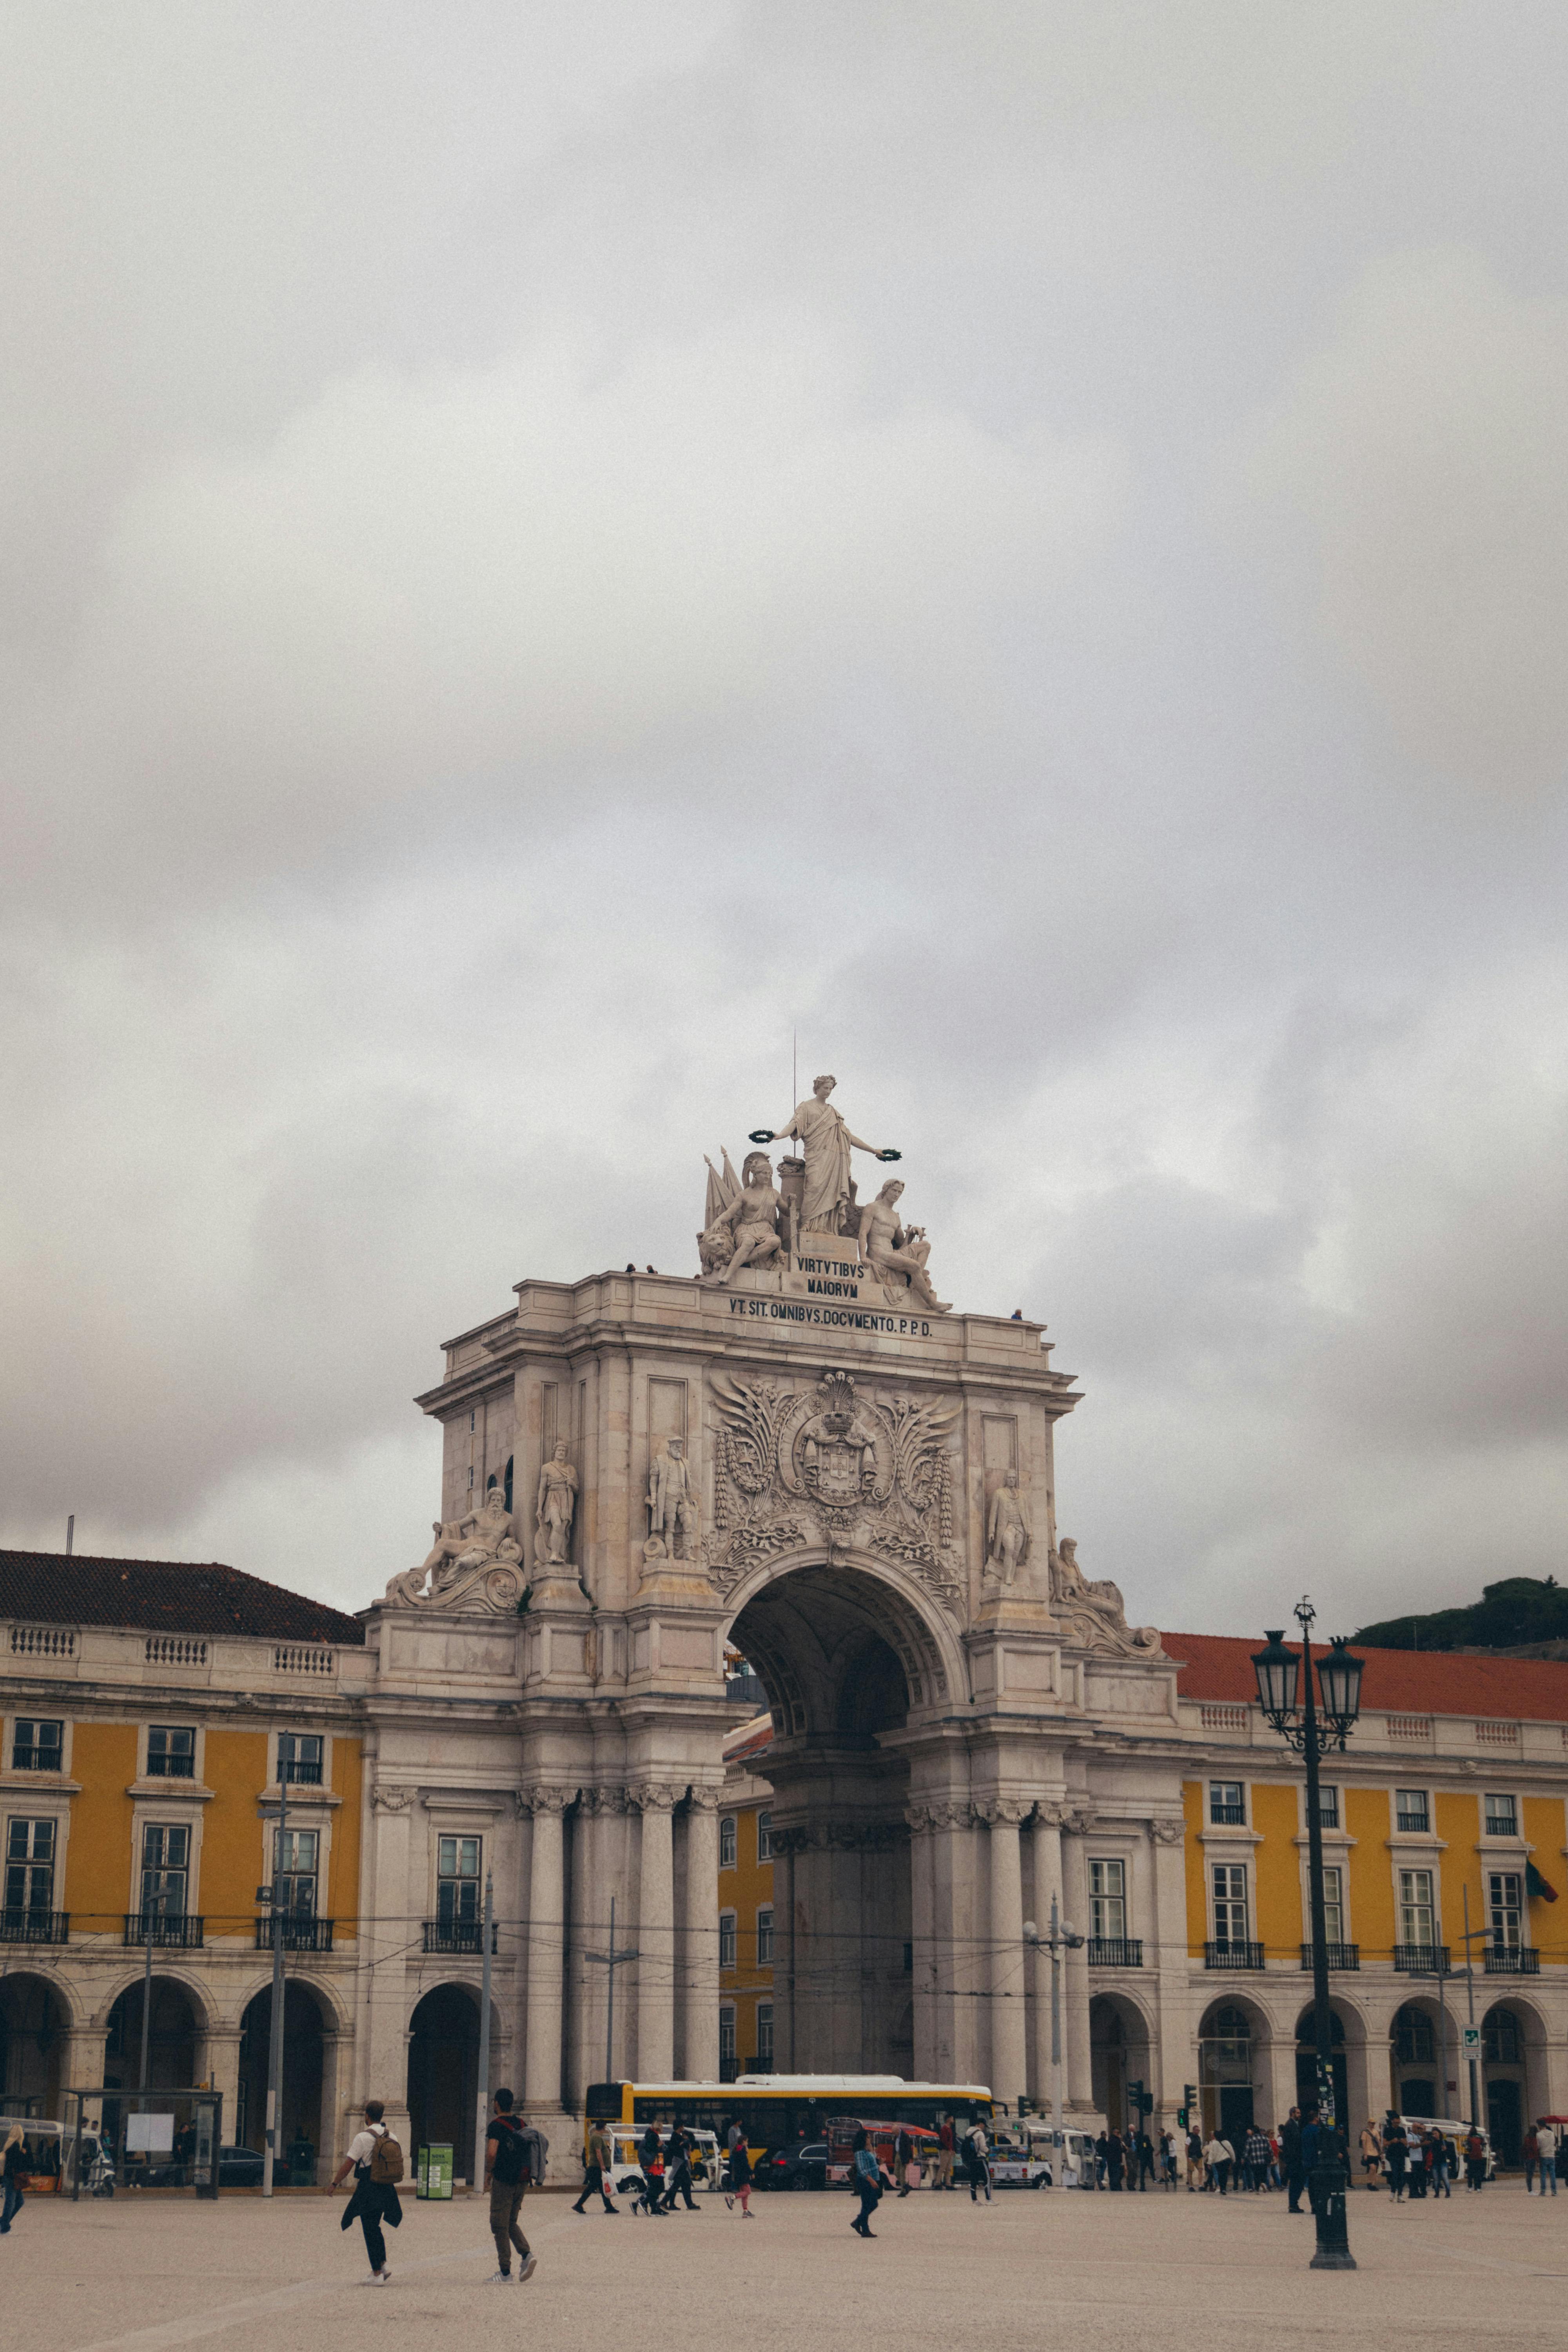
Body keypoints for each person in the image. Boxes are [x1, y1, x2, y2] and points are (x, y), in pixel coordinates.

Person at [326, 2099, 403, 2285]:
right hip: (387, 2187)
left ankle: (377, 2274)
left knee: (369, 2228)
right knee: (375, 2227)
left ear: (367, 2116)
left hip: (370, 2187)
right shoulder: (392, 2136)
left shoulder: (362, 2137)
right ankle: (382, 2265)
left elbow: (349, 2163)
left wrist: (335, 2183)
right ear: (381, 2115)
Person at [480, 2087, 537, 2283]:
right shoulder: (522, 2124)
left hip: (504, 2180)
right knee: (511, 2221)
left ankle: (505, 2272)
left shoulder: (496, 2126)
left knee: (498, 2224)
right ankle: (527, 2255)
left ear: (496, 2103)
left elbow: (491, 2153)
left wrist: (488, 2174)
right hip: (522, 2180)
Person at [573, 2118, 619, 2215]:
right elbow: (598, 2152)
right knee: (593, 2187)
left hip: (597, 2167)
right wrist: (602, 2165)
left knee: (601, 2187)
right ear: (603, 2128)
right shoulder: (597, 2137)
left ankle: (609, 2207)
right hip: (597, 2167)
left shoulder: (597, 2137)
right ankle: (579, 2204)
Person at [661, 2124, 701, 2212]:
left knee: (684, 2185)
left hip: (682, 2164)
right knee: (678, 2185)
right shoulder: (676, 2137)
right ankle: (664, 2202)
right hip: (680, 2164)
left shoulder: (679, 2138)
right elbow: (680, 2147)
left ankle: (683, 2204)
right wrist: (685, 2143)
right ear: (680, 2127)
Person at [851, 2129, 882, 2239]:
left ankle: (859, 2223)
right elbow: (862, 2170)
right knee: (869, 2205)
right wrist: (871, 2181)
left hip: (872, 2179)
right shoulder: (859, 2152)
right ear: (863, 2139)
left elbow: (872, 2162)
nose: (870, 2139)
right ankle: (864, 2228)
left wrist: (875, 2155)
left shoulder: (866, 2151)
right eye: (868, 2137)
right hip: (865, 2181)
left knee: (871, 2204)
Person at [1, 2125, 26, 2232]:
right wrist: (23, 2154)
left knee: (17, 2201)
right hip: (13, 2177)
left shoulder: (9, 2145)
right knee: (12, 2202)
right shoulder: (16, 2145)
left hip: (10, 2177)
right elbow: (17, 2163)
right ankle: (5, 2224)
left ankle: (3, 2221)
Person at [726, 2131, 753, 2217]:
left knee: (744, 2193)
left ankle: (745, 2211)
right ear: (744, 2141)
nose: (747, 2143)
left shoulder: (736, 2149)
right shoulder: (742, 2151)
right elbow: (745, 2163)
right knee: (748, 2192)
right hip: (743, 2174)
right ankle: (732, 2198)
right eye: (747, 2141)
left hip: (738, 2173)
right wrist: (751, 2172)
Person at [964, 2120, 991, 2203]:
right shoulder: (980, 2133)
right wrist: (988, 2151)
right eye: (983, 2125)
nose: (984, 2127)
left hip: (972, 2159)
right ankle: (989, 2199)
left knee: (974, 2180)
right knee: (988, 2179)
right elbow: (983, 2147)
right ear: (979, 2124)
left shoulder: (968, 2132)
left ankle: (974, 2200)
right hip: (980, 2159)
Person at [1383, 2111, 1408, 2202]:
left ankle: (1400, 2194)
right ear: (1392, 2121)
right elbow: (1385, 2144)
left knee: (1401, 2174)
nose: (1397, 2124)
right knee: (1395, 2173)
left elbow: (1406, 2143)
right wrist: (1392, 2142)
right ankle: (1393, 2191)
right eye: (1395, 2122)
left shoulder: (1401, 2130)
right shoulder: (1388, 2130)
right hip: (1392, 2155)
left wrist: (1402, 2141)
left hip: (1401, 2154)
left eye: (1398, 2123)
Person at [1203, 2130, 1232, 2196]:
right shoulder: (1227, 2143)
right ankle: (1224, 2188)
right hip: (1226, 2160)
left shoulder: (1215, 2144)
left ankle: (1221, 2188)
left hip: (1218, 2161)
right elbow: (1231, 2152)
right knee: (1225, 2175)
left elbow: (1212, 2154)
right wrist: (1233, 2160)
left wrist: (1209, 2163)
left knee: (1220, 2175)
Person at [1358, 2118, 1382, 2192]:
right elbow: (1364, 2143)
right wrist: (1365, 2154)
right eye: (1372, 2123)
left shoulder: (1376, 2132)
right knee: (1372, 2168)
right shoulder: (1365, 2132)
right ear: (1369, 2123)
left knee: (1376, 2168)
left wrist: (1381, 2151)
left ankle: (1373, 2184)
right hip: (1369, 2152)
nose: (1373, 2125)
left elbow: (1378, 2142)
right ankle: (1369, 2182)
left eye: (1374, 2123)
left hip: (1376, 2152)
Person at [1536, 2119, 1559, 2196]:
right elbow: (1554, 2143)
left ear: (1539, 2125)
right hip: (1552, 2155)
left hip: (1543, 2155)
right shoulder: (1552, 2134)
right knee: (1553, 2174)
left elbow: (1538, 2146)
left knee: (1543, 2174)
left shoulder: (1539, 2135)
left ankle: (1543, 2191)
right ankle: (1554, 2191)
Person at [895, 2125, 916, 2196]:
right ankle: (906, 2186)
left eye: (894, 2133)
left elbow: (908, 2148)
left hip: (903, 2156)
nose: (894, 2134)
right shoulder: (896, 2136)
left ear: (898, 2130)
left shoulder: (905, 2136)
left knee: (902, 2174)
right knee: (896, 2172)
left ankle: (903, 2191)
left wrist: (908, 2159)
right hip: (897, 2154)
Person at [1464, 2125, 1486, 2190]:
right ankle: (1478, 2188)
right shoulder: (1480, 2137)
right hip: (1479, 2158)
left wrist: (1470, 2150)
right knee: (1478, 2173)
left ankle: (1470, 2187)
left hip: (1471, 2158)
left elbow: (1466, 2146)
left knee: (1470, 2173)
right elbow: (1483, 2147)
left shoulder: (1469, 2138)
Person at [936, 2116, 956, 2190]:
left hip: (949, 2150)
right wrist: (950, 2149)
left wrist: (952, 2150)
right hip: (945, 2151)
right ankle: (937, 2183)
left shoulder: (949, 2129)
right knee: (943, 2167)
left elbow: (950, 2141)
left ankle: (948, 2183)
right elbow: (944, 2140)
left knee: (948, 2168)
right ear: (949, 2119)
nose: (953, 2120)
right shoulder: (944, 2129)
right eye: (952, 2119)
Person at [1185, 2126, 1204, 2192]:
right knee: (1190, 2172)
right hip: (1192, 2157)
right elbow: (1186, 2148)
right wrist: (1187, 2158)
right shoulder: (1189, 2138)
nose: (1198, 2131)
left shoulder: (1199, 2138)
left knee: (1201, 2170)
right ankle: (1191, 2186)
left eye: (1199, 2130)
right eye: (1196, 2130)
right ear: (1193, 2130)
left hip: (1199, 2156)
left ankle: (1200, 2185)